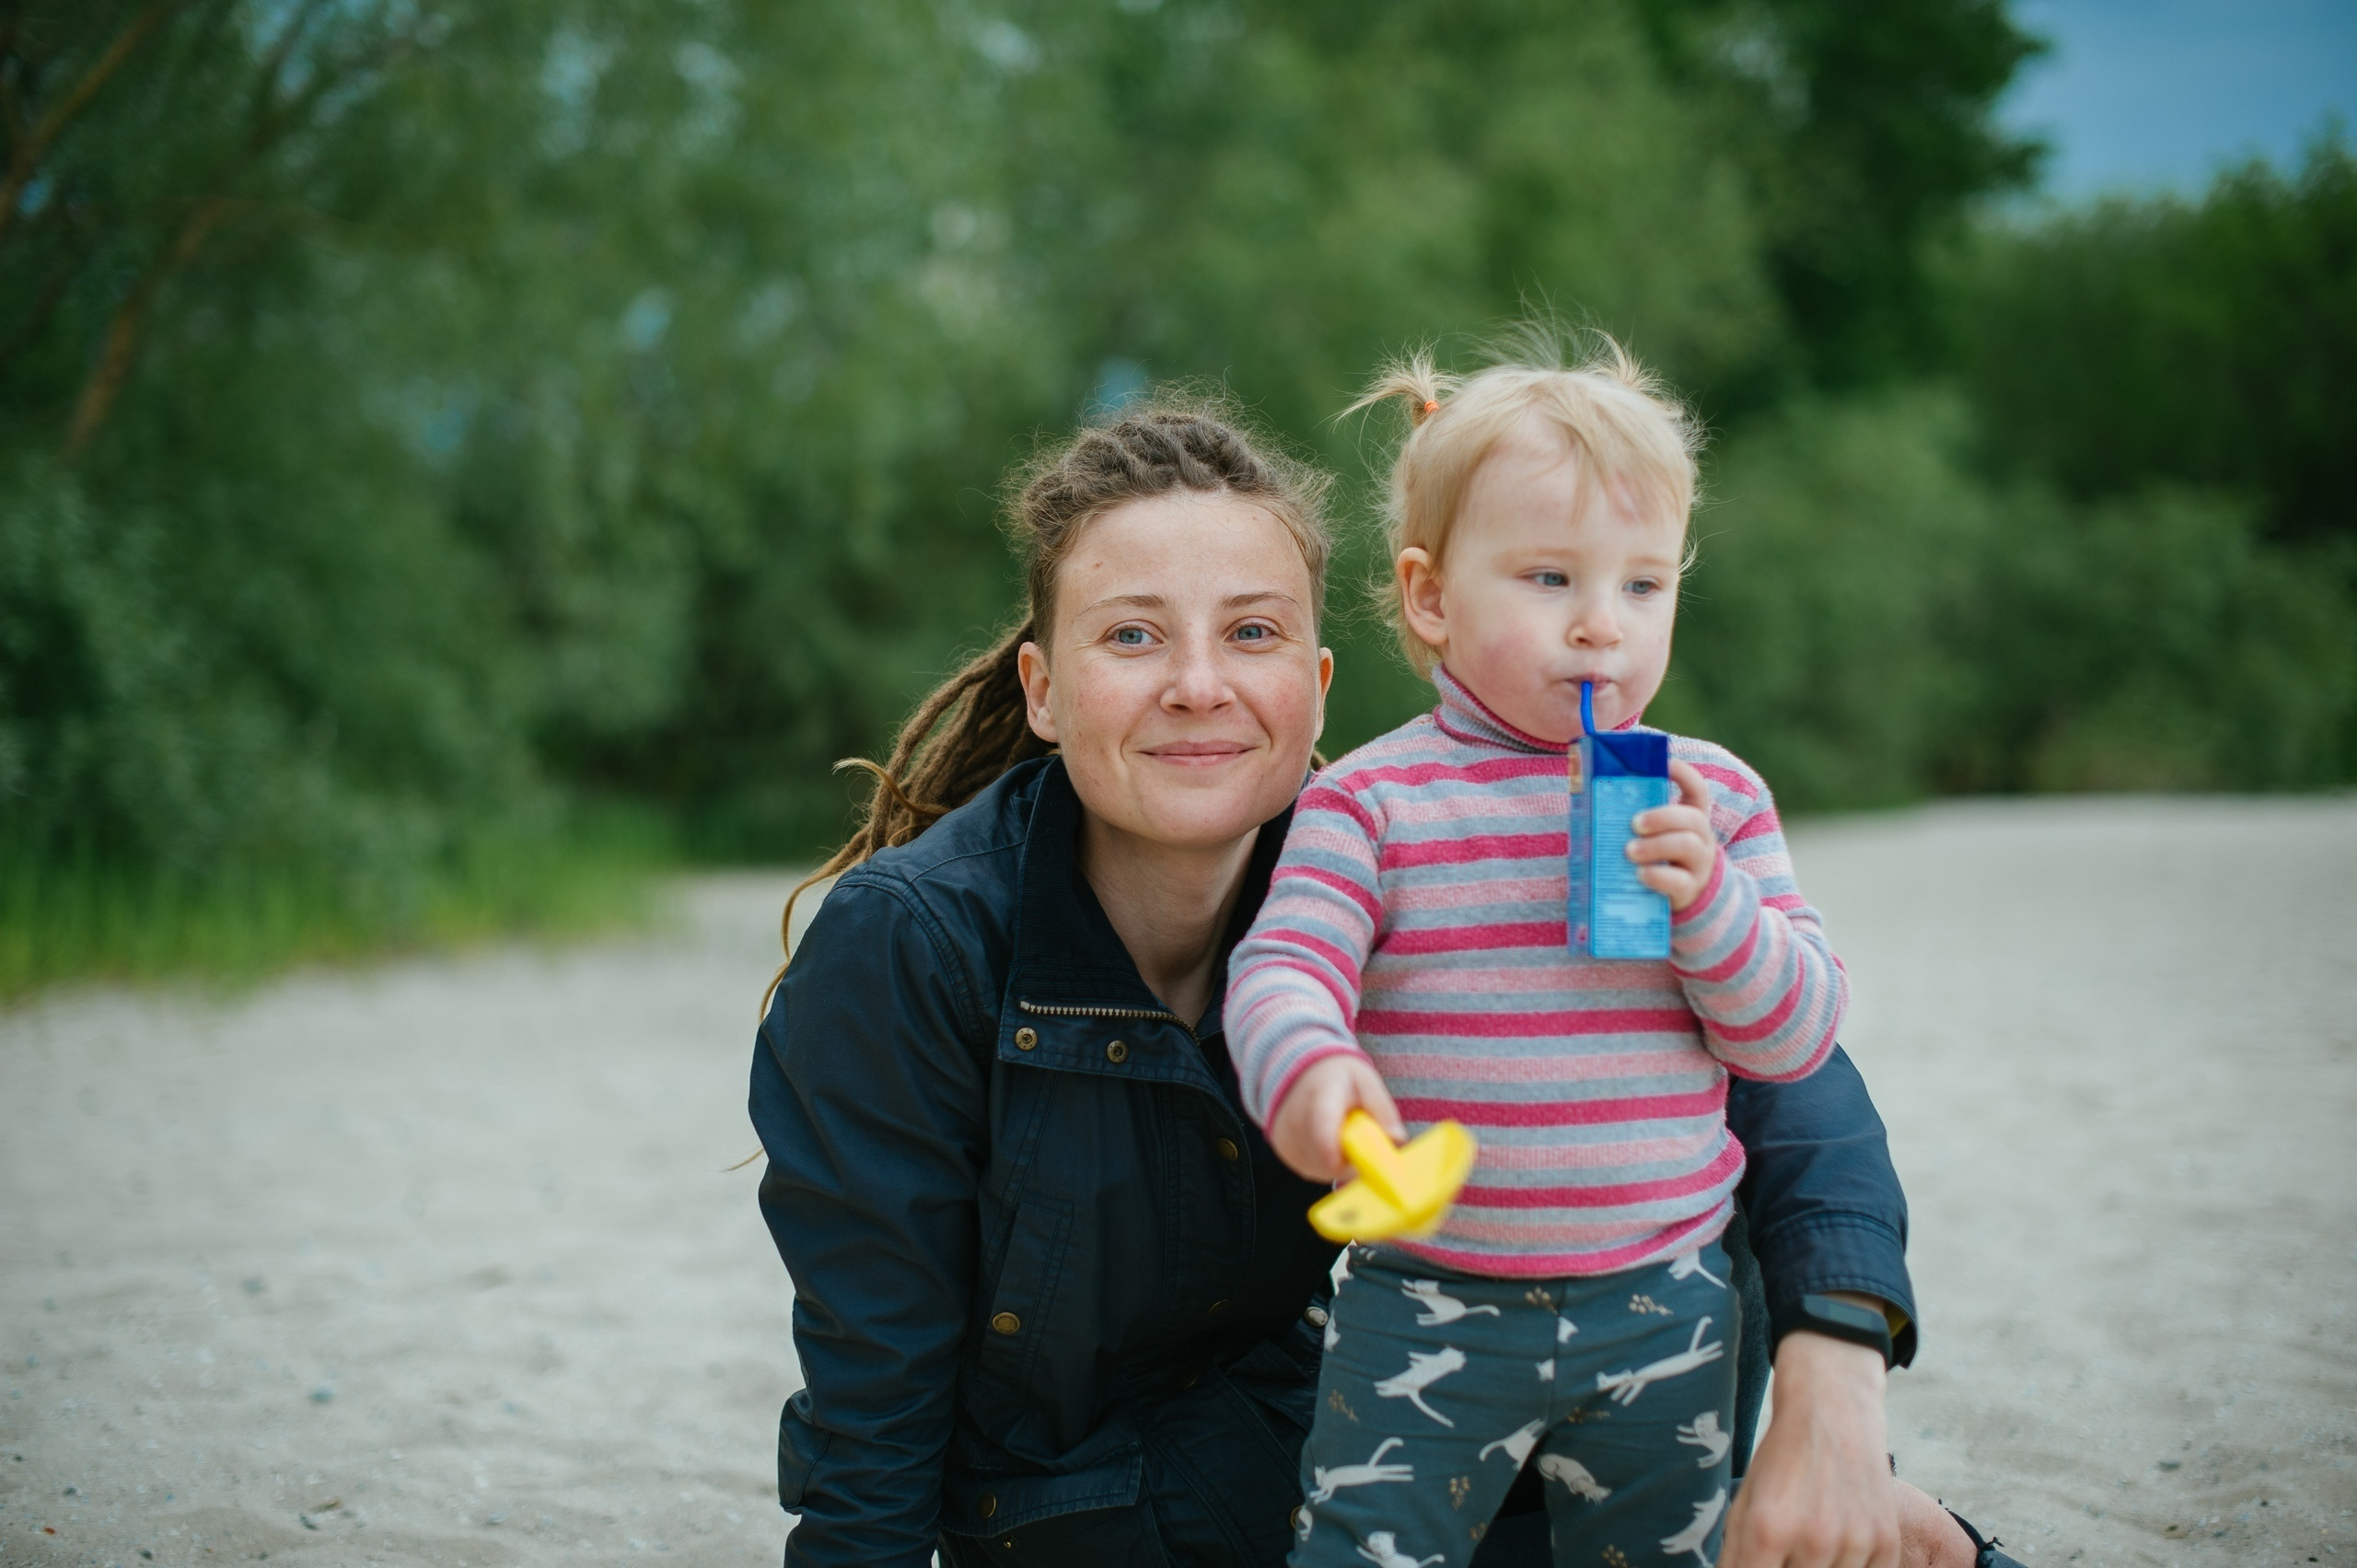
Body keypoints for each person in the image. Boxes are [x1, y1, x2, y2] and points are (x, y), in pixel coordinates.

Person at [748, 394, 2012, 1568]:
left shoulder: (1395, 851)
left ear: (1316, 686)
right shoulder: (912, 944)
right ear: (1042, 687)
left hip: (1372, 1447)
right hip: (1082, 1522)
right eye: (1132, 636)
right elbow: (874, 1390)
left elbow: (1789, 1083)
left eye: (1253, 632)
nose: (1199, 686)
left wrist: (1835, 1380)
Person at [1228, 335, 1844, 1567]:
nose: (1601, 630)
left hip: (1666, 1300)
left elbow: (1796, 1032)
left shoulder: (1709, 798)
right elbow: (1283, 967)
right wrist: (1309, 1074)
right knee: (1363, 1551)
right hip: (1424, 1303)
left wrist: (1712, 909)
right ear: (1432, 597)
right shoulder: (1374, 802)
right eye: (1552, 579)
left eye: (1642, 586)